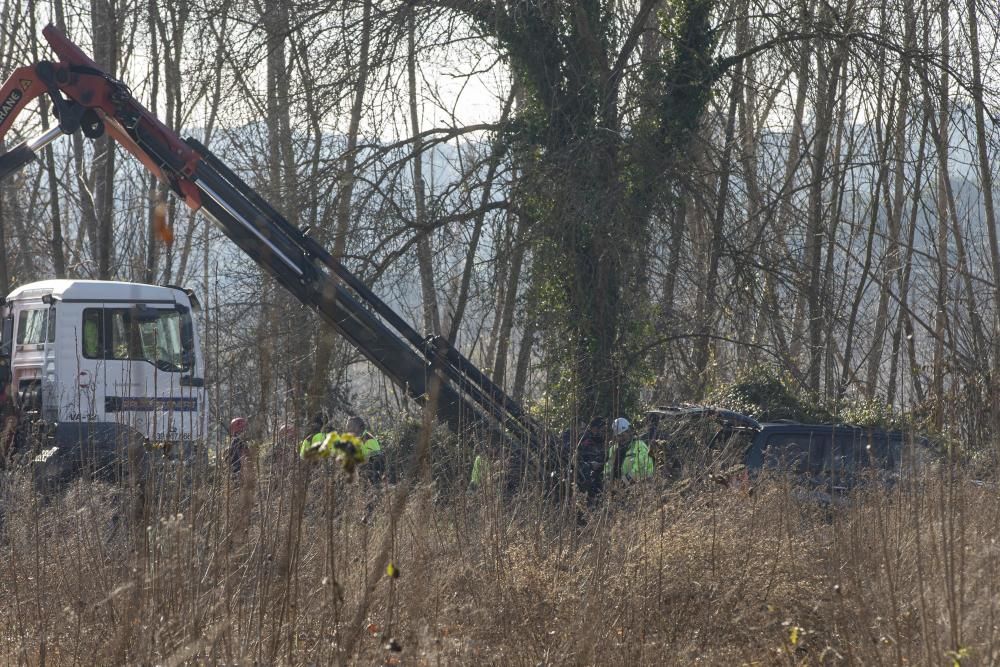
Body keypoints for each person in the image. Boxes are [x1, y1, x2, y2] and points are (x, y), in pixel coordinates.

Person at [604, 417, 654, 483]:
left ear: (630, 432)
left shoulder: (639, 446)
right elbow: (608, 467)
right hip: (617, 488)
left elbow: (643, 468)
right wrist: (606, 479)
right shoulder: (613, 449)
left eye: (623, 435)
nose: (621, 438)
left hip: (636, 487)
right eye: (619, 436)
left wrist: (624, 481)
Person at [576, 417, 608, 503]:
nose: (604, 433)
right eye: (602, 430)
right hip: (586, 482)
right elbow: (577, 462)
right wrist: (590, 465)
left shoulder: (601, 441)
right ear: (594, 429)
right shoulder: (585, 440)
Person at [345, 415, 384, 484]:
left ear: (356, 427)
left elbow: (376, 461)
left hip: (373, 477)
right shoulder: (356, 439)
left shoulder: (368, 439)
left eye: (349, 426)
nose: (347, 429)